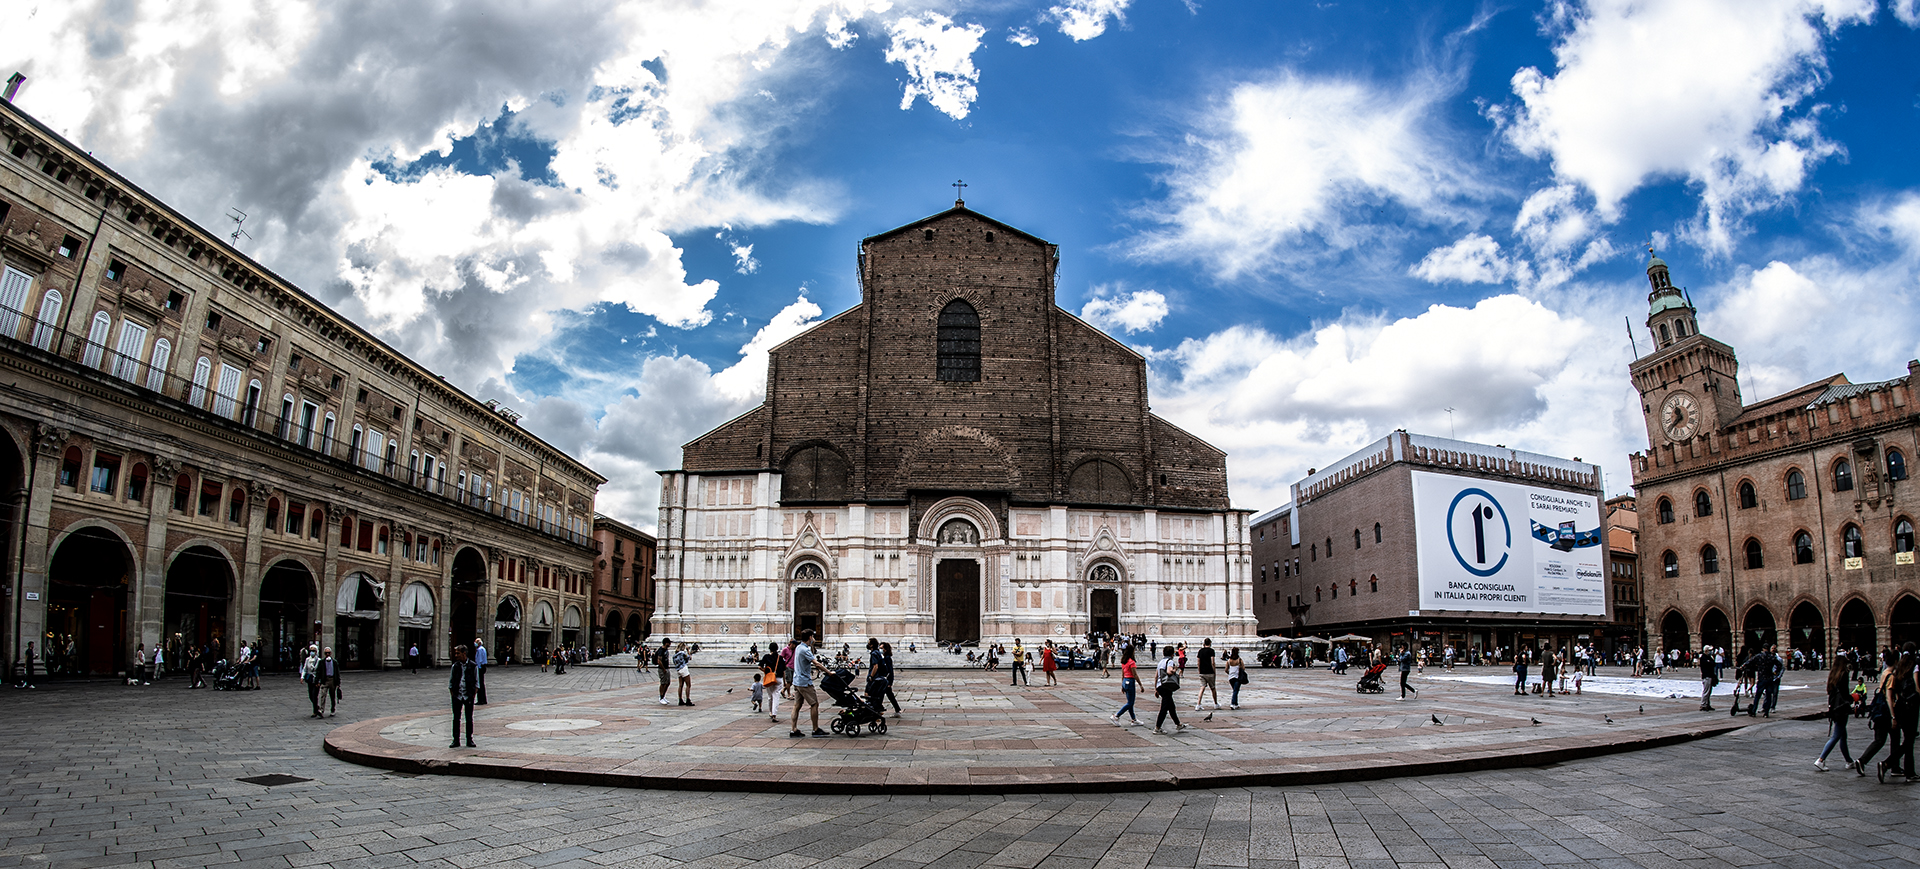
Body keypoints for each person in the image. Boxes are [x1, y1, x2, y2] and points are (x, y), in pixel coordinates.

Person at [1815, 662, 1856, 771]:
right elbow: (1845, 694)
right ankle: (1821, 759)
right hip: (1842, 709)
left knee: (1843, 735)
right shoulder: (1843, 674)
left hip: (1834, 708)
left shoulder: (1833, 675)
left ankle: (1849, 761)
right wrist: (1853, 698)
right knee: (1836, 736)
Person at [788, 630, 828, 738]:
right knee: (814, 704)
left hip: (797, 681)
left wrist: (813, 645)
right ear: (810, 637)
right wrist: (829, 672)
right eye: (813, 637)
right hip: (804, 682)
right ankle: (815, 729)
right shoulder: (805, 650)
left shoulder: (798, 648)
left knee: (797, 705)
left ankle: (793, 729)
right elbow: (816, 663)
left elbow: (810, 657)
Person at [448, 644, 479, 748]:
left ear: (464, 653)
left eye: (458, 653)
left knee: (469, 719)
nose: (456, 655)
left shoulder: (473, 666)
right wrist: (454, 695)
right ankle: (456, 740)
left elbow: (476, 683)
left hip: (468, 696)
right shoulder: (455, 666)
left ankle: (469, 740)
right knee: (456, 719)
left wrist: (472, 695)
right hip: (457, 696)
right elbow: (451, 683)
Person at [1153, 646, 1186, 733]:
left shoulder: (1160, 662)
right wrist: (1175, 669)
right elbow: (1169, 671)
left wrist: (1156, 688)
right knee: (1164, 708)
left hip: (1160, 686)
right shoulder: (1170, 661)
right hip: (1166, 686)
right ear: (1172, 654)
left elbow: (1156, 676)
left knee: (1171, 707)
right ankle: (1157, 727)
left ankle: (1178, 724)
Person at [1111, 647, 1141, 726]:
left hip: (1125, 681)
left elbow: (1123, 674)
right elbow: (1135, 674)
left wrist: (1122, 685)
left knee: (1129, 702)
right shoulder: (1131, 662)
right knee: (1130, 703)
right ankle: (1116, 716)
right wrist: (1140, 685)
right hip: (1130, 681)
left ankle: (1134, 719)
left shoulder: (1124, 662)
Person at [875, 642, 902, 717]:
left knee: (881, 695)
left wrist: (890, 682)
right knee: (888, 695)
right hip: (885, 680)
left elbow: (890, 671)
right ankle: (897, 710)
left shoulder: (887, 658)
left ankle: (878, 711)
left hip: (886, 681)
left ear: (885, 649)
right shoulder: (883, 657)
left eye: (881, 648)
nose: (880, 650)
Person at [1194, 639, 1219, 711]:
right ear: (1210, 643)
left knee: (1202, 687)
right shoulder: (1211, 651)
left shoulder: (1200, 651)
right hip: (1210, 672)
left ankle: (1198, 704)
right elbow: (1213, 662)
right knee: (1213, 688)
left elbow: (1198, 662)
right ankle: (1215, 703)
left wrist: (1199, 670)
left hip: (1202, 672)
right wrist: (1214, 671)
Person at [761, 644, 782, 722]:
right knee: (776, 696)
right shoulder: (780, 657)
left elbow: (760, 666)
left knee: (770, 696)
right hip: (778, 678)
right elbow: (783, 670)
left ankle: (770, 712)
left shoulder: (766, 657)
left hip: (769, 679)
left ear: (769, 649)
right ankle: (774, 714)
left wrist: (766, 672)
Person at [301, 645, 324, 717]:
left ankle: (315, 711)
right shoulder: (307, 659)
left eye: (314, 650)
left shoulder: (319, 660)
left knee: (315, 695)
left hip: (316, 680)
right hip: (309, 679)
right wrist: (302, 677)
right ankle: (317, 707)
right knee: (310, 695)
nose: (312, 652)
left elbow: (321, 672)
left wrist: (319, 681)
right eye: (311, 650)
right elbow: (305, 669)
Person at [317, 647, 341, 716]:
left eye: (328, 653)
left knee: (332, 696)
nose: (327, 654)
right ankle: (321, 710)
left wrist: (338, 683)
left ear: (331, 653)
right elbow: (319, 672)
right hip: (325, 680)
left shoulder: (334, 662)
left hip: (332, 680)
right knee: (323, 695)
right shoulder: (321, 662)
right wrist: (318, 681)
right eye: (326, 653)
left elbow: (337, 673)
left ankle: (333, 709)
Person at [654, 638, 674, 706]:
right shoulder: (661, 650)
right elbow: (659, 661)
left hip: (666, 668)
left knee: (667, 683)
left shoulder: (666, 650)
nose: (670, 644)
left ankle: (663, 696)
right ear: (666, 643)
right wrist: (663, 669)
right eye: (669, 643)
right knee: (663, 683)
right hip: (662, 669)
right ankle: (661, 697)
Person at [673, 641, 694, 705]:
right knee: (688, 685)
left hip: (678, 670)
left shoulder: (675, 655)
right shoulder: (683, 653)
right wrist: (688, 650)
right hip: (684, 669)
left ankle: (680, 699)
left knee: (680, 685)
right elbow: (689, 657)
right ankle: (688, 699)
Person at [472, 638, 488, 704]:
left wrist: (477, 667)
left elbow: (479, 660)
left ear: (478, 643)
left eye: (475, 642)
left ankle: (481, 700)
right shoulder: (483, 649)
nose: (474, 643)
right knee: (481, 683)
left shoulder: (479, 650)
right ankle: (483, 699)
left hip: (480, 667)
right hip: (483, 666)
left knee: (479, 683)